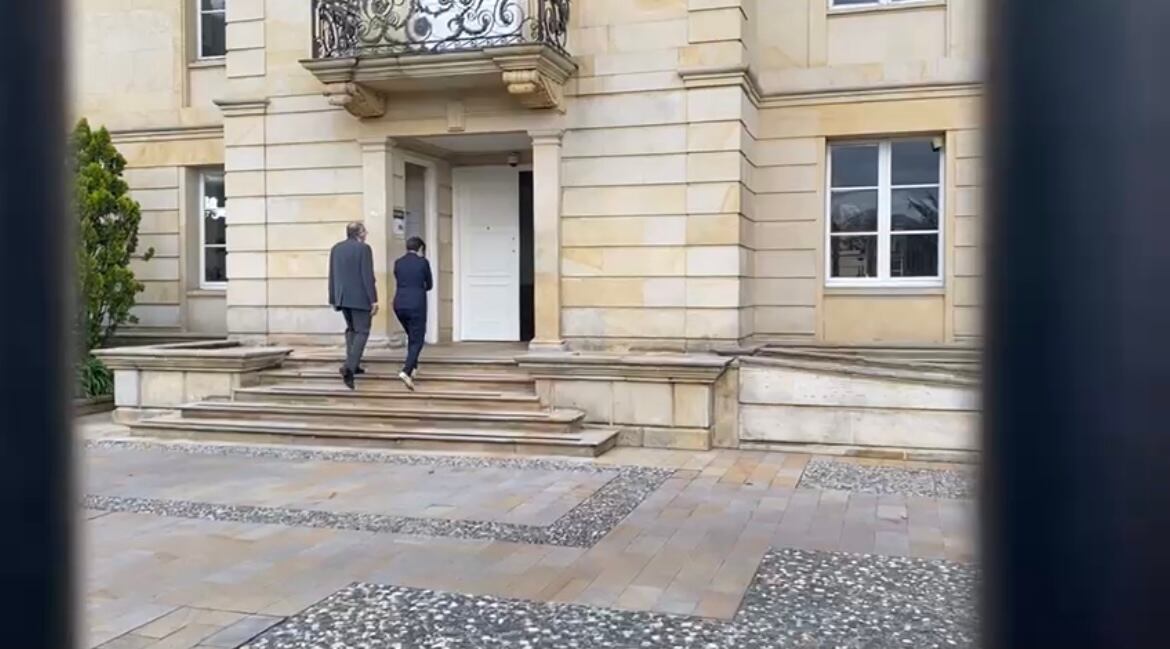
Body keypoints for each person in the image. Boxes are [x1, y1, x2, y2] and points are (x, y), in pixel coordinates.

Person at [328, 222, 378, 389]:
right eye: (365, 231)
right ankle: (349, 367)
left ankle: (353, 364)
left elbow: (332, 275)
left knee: (351, 330)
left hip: (342, 297)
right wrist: (373, 299)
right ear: (360, 233)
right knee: (362, 331)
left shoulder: (336, 248)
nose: (366, 234)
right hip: (360, 298)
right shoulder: (364, 249)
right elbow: (367, 275)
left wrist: (333, 298)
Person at [393, 236, 433, 390]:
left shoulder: (398, 262)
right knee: (417, 339)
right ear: (420, 248)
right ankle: (406, 370)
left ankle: (414, 368)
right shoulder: (423, 262)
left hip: (399, 304)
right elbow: (429, 284)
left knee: (412, 336)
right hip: (416, 304)